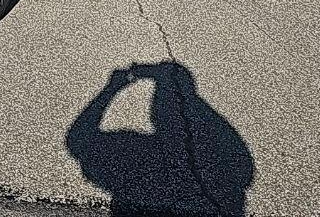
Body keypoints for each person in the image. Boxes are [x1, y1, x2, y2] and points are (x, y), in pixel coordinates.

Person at [66, 61, 254, 216]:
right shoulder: (236, 173)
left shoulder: (240, 173)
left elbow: (78, 141)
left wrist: (112, 88)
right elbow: (77, 141)